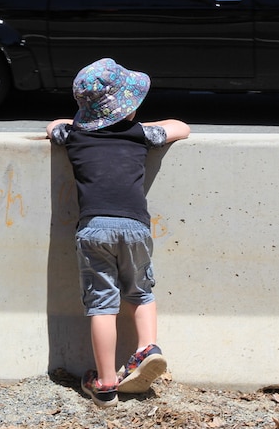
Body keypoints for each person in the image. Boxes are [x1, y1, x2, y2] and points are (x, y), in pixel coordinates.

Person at [45, 58, 190, 408]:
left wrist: (80, 119)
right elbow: (181, 127)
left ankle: (107, 383)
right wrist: (139, 121)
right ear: (128, 108)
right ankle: (146, 349)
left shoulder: (74, 135)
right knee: (141, 293)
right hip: (134, 227)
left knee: (101, 306)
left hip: (93, 229)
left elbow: (53, 126)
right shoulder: (141, 133)